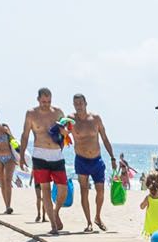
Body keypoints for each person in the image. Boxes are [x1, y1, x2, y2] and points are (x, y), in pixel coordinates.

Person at [20, 89, 68, 233]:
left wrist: (65, 133)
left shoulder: (58, 112)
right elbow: (25, 135)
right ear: (38, 99)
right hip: (39, 154)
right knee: (45, 190)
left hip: (56, 155)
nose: (46, 104)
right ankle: (53, 225)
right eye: (43, 102)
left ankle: (56, 211)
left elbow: (66, 132)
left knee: (63, 188)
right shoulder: (31, 114)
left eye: (48, 101)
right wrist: (21, 156)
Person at [68, 93, 117, 231]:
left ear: (85, 103)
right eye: (76, 103)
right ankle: (89, 222)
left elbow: (105, 138)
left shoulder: (95, 119)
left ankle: (98, 216)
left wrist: (112, 157)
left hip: (97, 160)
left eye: (80, 103)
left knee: (100, 191)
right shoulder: (70, 119)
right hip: (81, 160)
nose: (78, 106)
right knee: (84, 191)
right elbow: (62, 134)